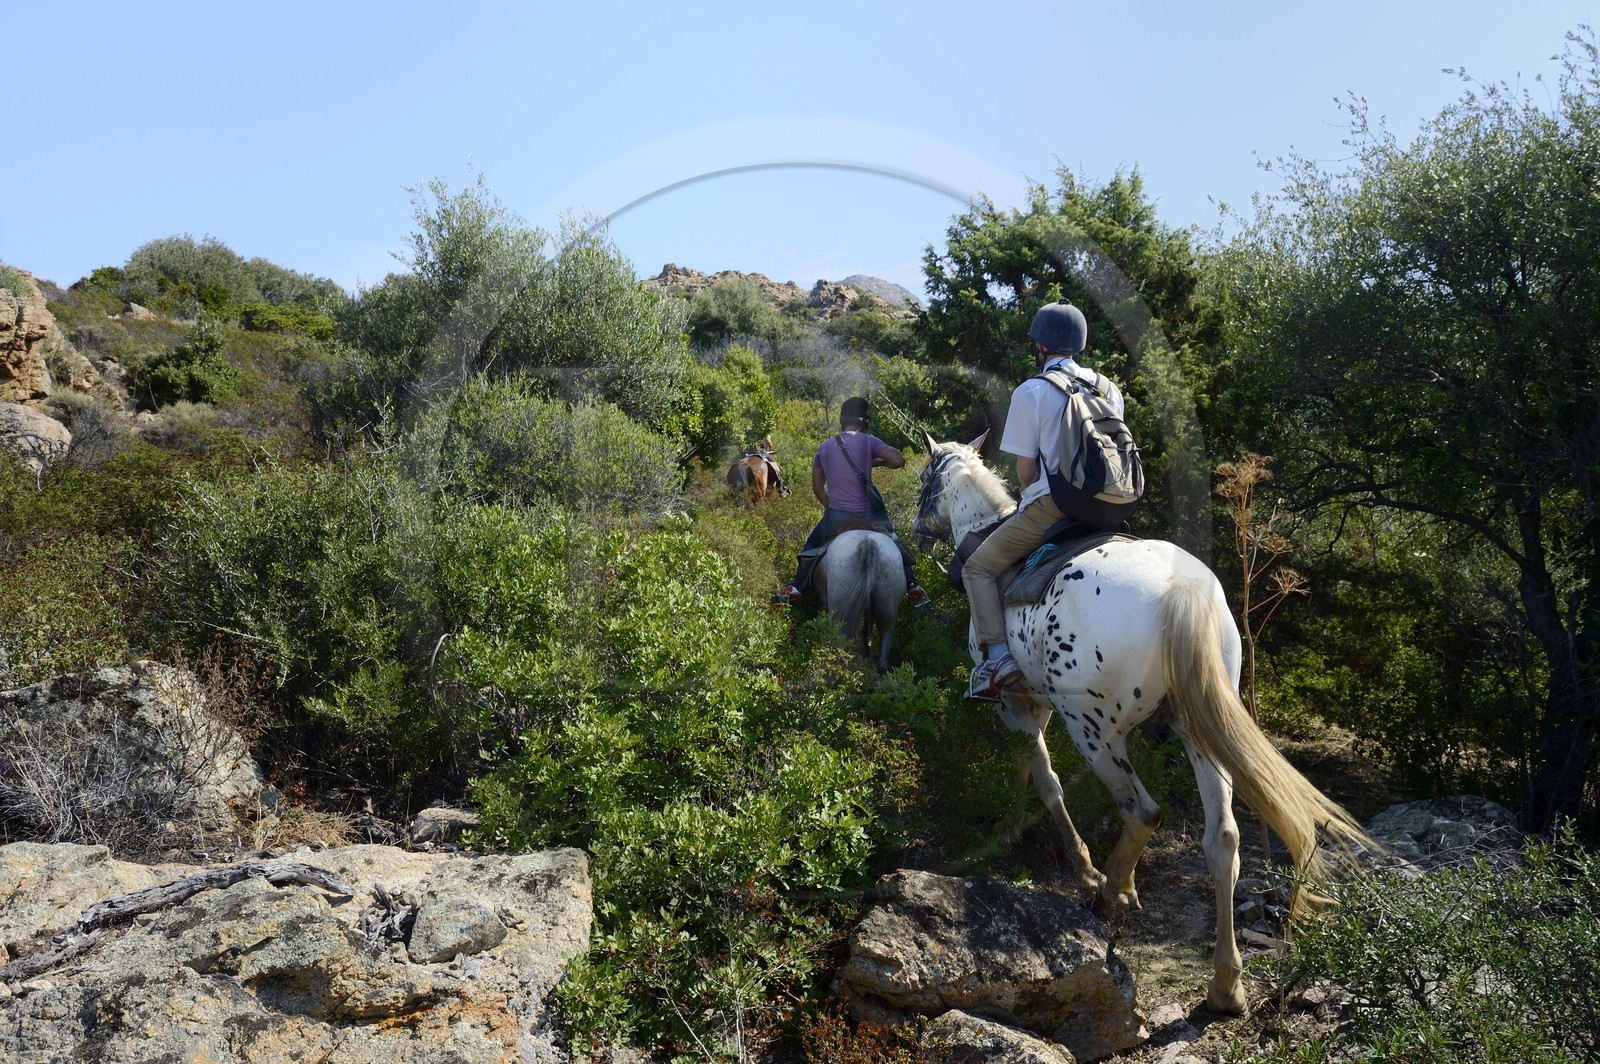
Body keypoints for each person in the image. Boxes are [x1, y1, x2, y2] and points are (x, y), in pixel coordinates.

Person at [963, 300, 1126, 701]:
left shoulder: (1032, 391)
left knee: (978, 567)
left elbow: (1026, 473)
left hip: (1054, 506)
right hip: (1111, 508)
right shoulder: (1110, 389)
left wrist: (1032, 494)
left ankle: (998, 658)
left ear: (1041, 346)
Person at [775, 396, 929, 606]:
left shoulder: (824, 447)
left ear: (842, 419)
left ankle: (796, 587)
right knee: (894, 539)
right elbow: (898, 461)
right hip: (871, 514)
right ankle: (912, 586)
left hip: (837, 515)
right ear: (865, 421)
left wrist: (832, 508)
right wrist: (875, 462)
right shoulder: (869, 441)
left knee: (811, 545)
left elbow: (817, 488)